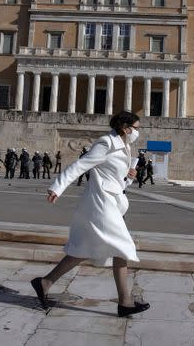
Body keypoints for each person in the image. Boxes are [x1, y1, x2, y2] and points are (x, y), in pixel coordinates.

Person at [31, 110, 149, 317]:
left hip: (112, 202)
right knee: (123, 247)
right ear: (125, 128)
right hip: (100, 204)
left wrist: (129, 176)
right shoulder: (105, 143)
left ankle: (45, 282)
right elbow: (80, 165)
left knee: (83, 248)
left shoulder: (125, 146)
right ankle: (125, 302)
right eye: (136, 128)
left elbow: (116, 180)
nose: (138, 132)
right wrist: (57, 186)